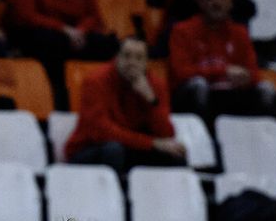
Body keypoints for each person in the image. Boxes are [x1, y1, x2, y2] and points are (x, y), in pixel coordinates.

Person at [168, 0, 276, 122]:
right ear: (200, 2)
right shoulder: (182, 30)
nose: (216, 2)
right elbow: (180, 73)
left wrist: (245, 78)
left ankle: (267, 136)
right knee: (199, 84)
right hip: (197, 95)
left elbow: (253, 73)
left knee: (266, 88)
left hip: (232, 93)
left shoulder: (240, 32)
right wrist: (223, 71)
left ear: (230, 4)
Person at [66, 38, 186, 173]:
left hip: (131, 148)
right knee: (113, 150)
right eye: (127, 55)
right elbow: (101, 132)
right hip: (89, 149)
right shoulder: (95, 81)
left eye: (139, 58)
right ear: (117, 57)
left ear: (147, 63)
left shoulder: (156, 85)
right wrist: (151, 143)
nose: (132, 63)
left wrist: (151, 100)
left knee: (175, 154)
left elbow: (166, 134)